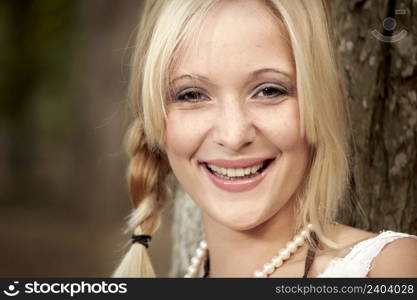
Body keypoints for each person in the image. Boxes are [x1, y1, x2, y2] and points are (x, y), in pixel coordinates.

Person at [112, 0, 417, 278]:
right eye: (191, 95)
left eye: (270, 90)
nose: (233, 136)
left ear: (323, 101)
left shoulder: (390, 269)